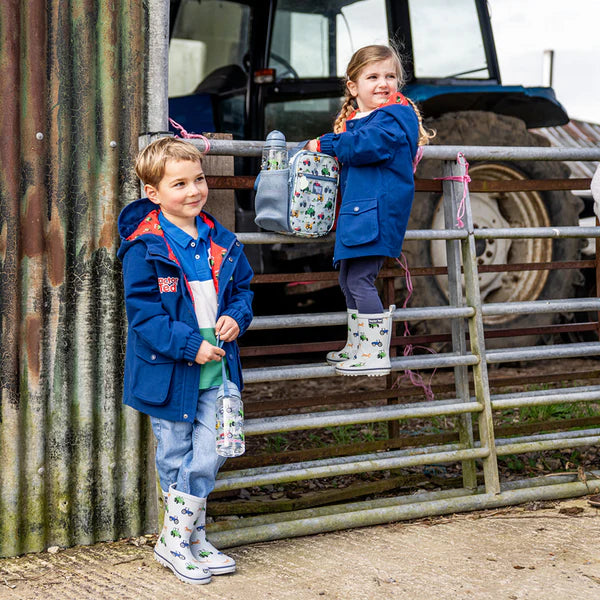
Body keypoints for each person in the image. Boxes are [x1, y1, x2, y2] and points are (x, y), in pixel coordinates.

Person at [117, 137, 253, 585]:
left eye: (198, 179)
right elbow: (144, 314)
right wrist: (187, 344)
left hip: (218, 368)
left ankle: (183, 537)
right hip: (171, 370)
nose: (194, 190)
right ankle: (182, 541)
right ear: (154, 193)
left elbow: (243, 293)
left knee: (210, 450)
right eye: (180, 183)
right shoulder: (144, 248)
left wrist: (236, 316)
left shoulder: (222, 240)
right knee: (175, 453)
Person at [306, 44, 433, 377]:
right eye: (373, 76)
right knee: (348, 281)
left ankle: (375, 353)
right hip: (358, 214)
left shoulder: (393, 118)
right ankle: (357, 346)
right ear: (353, 87)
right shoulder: (358, 122)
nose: (383, 83)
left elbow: (367, 146)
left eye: (390, 76)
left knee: (361, 280)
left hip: (375, 215)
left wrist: (324, 144)